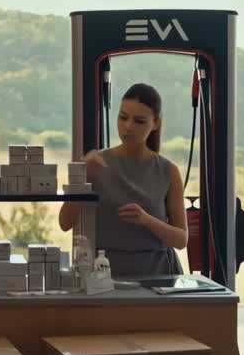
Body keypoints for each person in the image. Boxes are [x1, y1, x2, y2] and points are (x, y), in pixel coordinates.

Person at [59, 82, 188, 278]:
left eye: (139, 121)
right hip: (104, 276)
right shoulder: (97, 163)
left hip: (158, 277)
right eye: (123, 117)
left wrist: (147, 220)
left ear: (156, 123)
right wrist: (82, 181)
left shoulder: (168, 171)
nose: (128, 127)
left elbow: (181, 239)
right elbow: (65, 223)